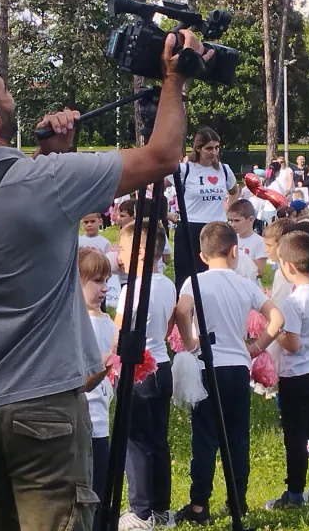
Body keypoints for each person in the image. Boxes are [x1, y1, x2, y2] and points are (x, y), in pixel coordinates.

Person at [0, 29, 211, 529]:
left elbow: (8, 201)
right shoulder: (46, 180)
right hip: (42, 405)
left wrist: (47, 155)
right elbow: (162, 156)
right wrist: (175, 78)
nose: (11, 100)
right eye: (3, 91)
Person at [174, 223, 283, 525]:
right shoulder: (246, 284)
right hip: (238, 368)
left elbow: (182, 311)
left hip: (208, 365)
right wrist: (257, 347)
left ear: (202, 256)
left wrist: (189, 343)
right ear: (235, 251)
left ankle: (199, 506)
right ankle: (238, 500)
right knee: (237, 437)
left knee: (205, 438)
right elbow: (277, 317)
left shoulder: (194, 281)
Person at [265, 231, 309, 509]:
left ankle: (294, 494)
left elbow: (292, 344)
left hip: (296, 375)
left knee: (295, 436)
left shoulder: (293, 302)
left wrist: (275, 330)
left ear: (289, 267)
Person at [115, 220, 176, 529]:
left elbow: (119, 334)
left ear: (139, 253)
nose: (118, 255)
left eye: (122, 250)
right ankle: (163, 509)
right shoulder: (168, 284)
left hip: (138, 370)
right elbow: (168, 327)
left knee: (136, 441)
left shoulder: (131, 290)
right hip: (162, 366)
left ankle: (140, 511)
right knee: (158, 440)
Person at [77, 248, 116, 531]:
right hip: (84, 420)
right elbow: (81, 376)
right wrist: (109, 361)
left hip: (102, 418)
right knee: (86, 492)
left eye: (106, 281)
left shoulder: (108, 321)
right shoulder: (76, 324)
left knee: (103, 491)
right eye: (96, 281)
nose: (103, 288)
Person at [174, 127, 239, 290]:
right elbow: (157, 185)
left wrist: (228, 213)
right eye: (209, 148)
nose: (214, 152)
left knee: (214, 272)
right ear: (198, 148)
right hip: (189, 226)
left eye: (217, 147)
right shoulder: (185, 169)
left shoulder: (224, 170)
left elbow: (234, 190)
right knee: (186, 277)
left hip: (215, 228)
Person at [227, 199, 267, 282]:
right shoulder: (230, 239)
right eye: (231, 221)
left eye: (237, 220)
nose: (233, 225)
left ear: (251, 220)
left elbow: (260, 272)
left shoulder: (259, 242)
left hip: (249, 285)